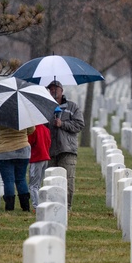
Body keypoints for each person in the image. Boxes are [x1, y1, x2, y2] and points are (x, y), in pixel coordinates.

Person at [46, 79, 85, 209]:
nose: (53, 91)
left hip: (67, 149)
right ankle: (51, 204)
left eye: (55, 88)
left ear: (62, 91)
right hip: (50, 149)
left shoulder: (72, 107)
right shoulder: (45, 106)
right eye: (51, 89)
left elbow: (79, 125)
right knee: (50, 179)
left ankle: (66, 206)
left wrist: (62, 124)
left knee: (68, 178)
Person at [0, 123, 35, 211]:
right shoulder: (23, 112)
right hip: (22, 149)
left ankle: (9, 207)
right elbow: (31, 129)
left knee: (8, 180)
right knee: (21, 178)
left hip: (3, 150)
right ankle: (25, 206)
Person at [28, 122, 51, 210]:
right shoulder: (46, 129)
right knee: (38, 183)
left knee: (33, 185)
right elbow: (49, 142)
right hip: (45, 157)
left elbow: (30, 142)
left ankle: (36, 206)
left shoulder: (33, 129)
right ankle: (40, 202)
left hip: (36, 158)